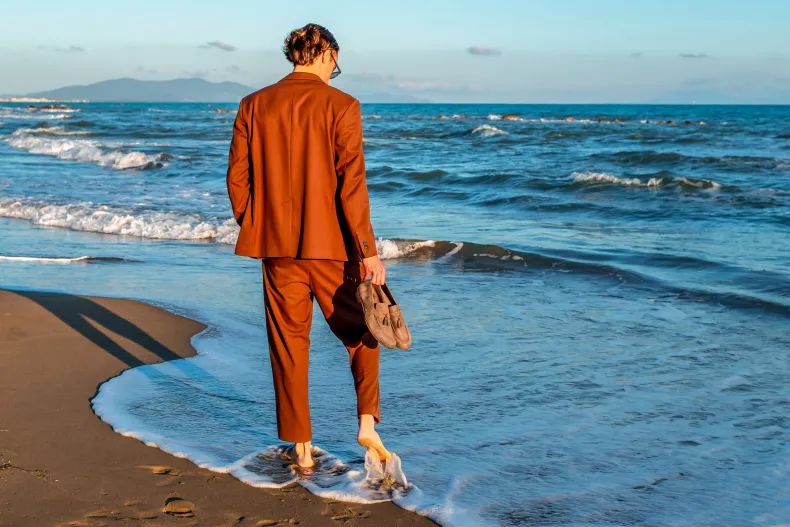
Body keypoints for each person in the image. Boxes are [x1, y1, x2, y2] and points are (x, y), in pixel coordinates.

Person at [226, 23, 388, 469]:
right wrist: (368, 250)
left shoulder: (253, 104)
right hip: (334, 248)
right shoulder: (342, 105)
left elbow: (237, 179)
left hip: (276, 249)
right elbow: (352, 185)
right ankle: (367, 423)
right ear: (326, 54)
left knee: (288, 346)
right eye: (336, 60)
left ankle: (300, 448)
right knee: (366, 330)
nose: (336, 68)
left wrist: (256, 224)